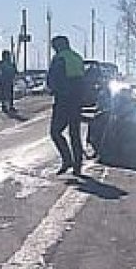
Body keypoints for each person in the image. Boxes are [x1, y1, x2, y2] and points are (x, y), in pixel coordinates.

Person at [47, 35, 86, 175]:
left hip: (63, 101)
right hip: (77, 101)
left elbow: (52, 81)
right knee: (74, 133)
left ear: (58, 46)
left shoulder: (59, 59)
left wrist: (53, 90)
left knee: (55, 132)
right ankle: (78, 164)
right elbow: (83, 80)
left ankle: (67, 159)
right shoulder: (77, 57)